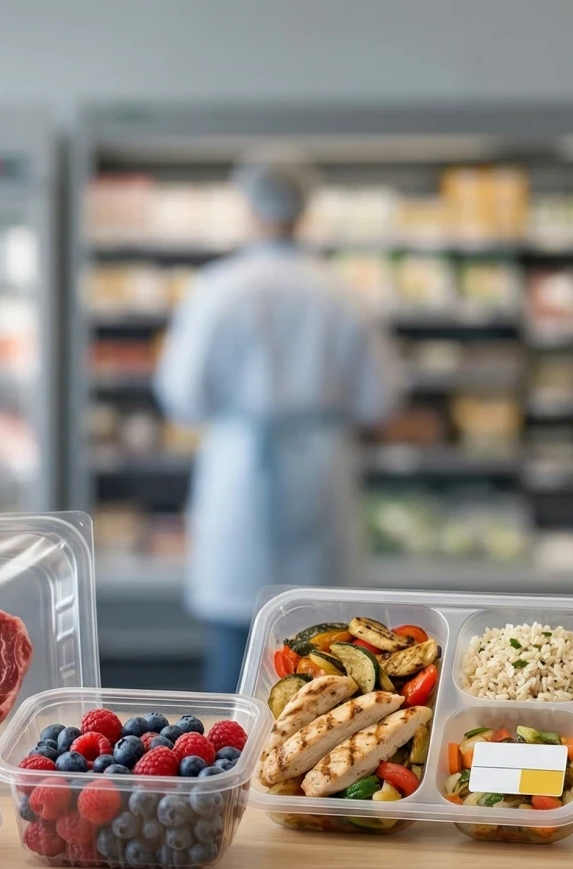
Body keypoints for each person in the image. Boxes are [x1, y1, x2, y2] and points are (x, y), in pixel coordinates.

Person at [154, 148, 400, 693]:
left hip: (240, 466)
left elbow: (182, 398)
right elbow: (379, 400)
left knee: (234, 652)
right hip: (321, 469)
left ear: (247, 206)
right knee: (326, 655)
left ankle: (231, 747)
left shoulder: (218, 288)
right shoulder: (342, 291)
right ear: (306, 208)